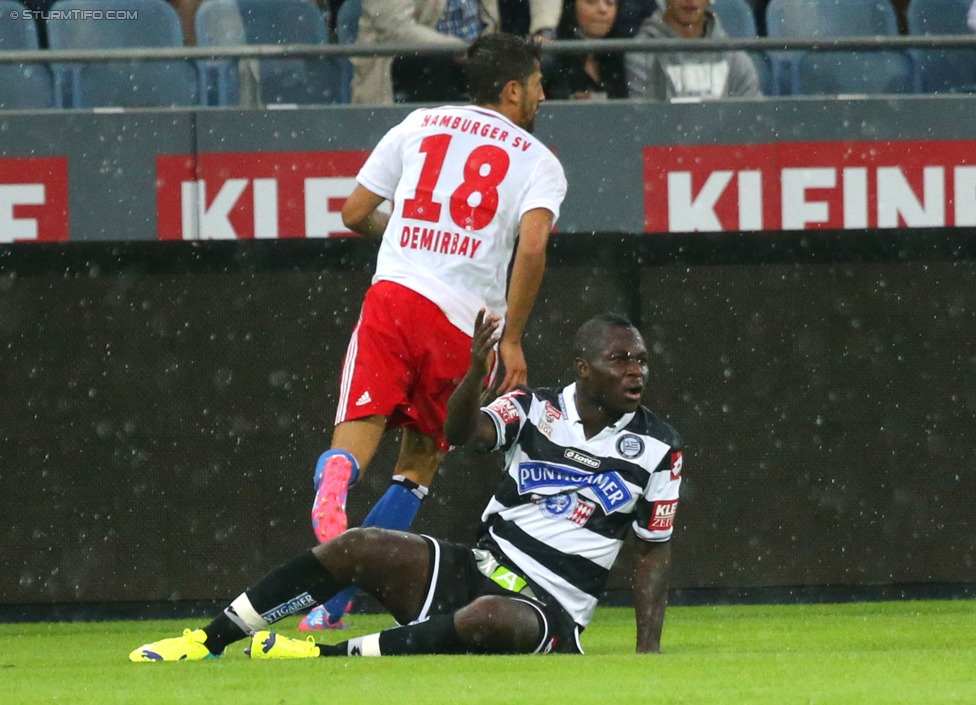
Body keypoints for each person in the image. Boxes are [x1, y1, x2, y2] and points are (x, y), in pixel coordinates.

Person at [128, 310, 684, 661]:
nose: (635, 371)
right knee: (358, 544)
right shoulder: (534, 407)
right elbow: (461, 431)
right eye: (620, 360)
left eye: (640, 361)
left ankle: (323, 655)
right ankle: (208, 641)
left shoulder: (660, 444)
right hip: (480, 567)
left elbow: (652, 552)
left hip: (547, 608)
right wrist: (473, 372)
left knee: (490, 619)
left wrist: (647, 651)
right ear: (584, 368)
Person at [296, 32, 566, 631]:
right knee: (417, 466)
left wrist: (406, 238)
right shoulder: (538, 161)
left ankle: (334, 481)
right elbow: (535, 244)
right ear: (513, 88)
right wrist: (515, 337)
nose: (544, 95)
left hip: (395, 296)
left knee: (356, 434)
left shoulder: (417, 125)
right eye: (538, 84)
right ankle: (334, 601)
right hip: (465, 324)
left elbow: (354, 212)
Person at [352, 0, 562, 104]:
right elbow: (395, 29)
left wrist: (544, 30)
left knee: (544, 63)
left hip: (480, 59)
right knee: (437, 66)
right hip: (415, 66)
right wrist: (460, 50)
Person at [625, 0, 762, 101]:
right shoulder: (641, 53)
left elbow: (752, 121)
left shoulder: (735, 58)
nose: (690, 0)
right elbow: (645, 124)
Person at [542, 0, 629, 100]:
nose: (603, 9)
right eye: (591, 2)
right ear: (572, 7)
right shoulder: (550, 59)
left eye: (610, 3)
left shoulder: (624, 58)